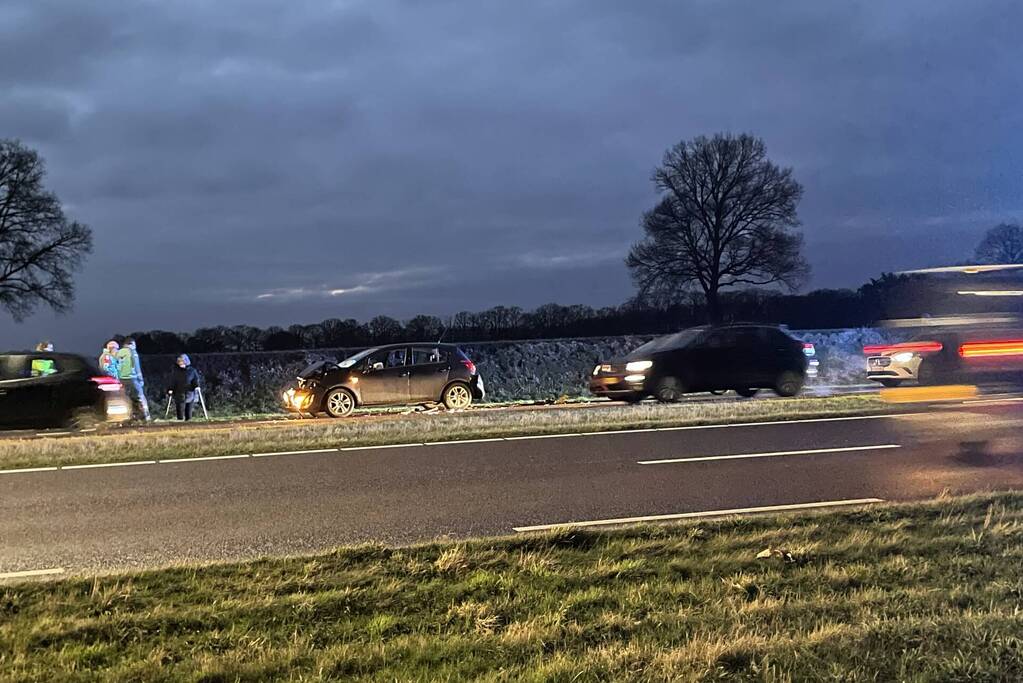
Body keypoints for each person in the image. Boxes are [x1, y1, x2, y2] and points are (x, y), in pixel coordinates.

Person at [116, 337, 151, 421]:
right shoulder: (132, 352)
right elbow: (136, 366)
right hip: (132, 378)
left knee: (127, 398)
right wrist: (140, 379)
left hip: (121, 379)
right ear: (131, 344)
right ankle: (145, 416)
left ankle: (131, 416)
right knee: (140, 397)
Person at [167, 354, 201, 421]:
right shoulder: (176, 371)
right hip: (179, 393)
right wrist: (170, 388)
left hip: (190, 393)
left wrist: (197, 386)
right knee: (180, 410)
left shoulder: (192, 371)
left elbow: (195, 379)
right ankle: (180, 422)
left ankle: (188, 423)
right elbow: (172, 381)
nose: (180, 363)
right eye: (179, 362)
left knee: (188, 411)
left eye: (182, 362)